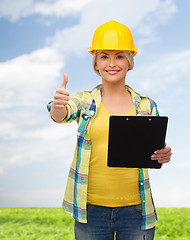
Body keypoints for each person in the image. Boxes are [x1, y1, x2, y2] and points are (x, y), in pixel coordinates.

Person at [47, 20, 172, 240]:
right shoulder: (84, 100)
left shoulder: (146, 106)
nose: (111, 63)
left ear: (130, 61)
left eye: (119, 56)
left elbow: (154, 154)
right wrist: (58, 106)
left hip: (136, 210)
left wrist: (163, 155)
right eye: (104, 56)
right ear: (96, 63)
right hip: (91, 210)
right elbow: (62, 114)